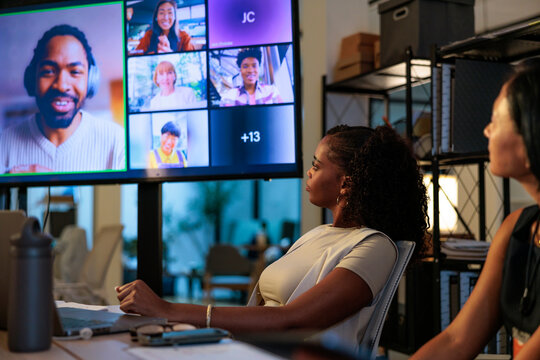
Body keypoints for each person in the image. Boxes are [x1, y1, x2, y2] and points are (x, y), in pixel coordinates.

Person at [117, 124, 429, 351]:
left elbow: (293, 321)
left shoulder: (375, 247)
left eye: (317, 166)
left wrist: (169, 310)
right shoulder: (318, 235)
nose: (309, 173)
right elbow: (266, 311)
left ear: (345, 183)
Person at [411, 60, 540, 359]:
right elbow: (456, 340)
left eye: (495, 120)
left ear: (531, 134)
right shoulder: (515, 228)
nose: (486, 130)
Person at [0, 24, 125, 174]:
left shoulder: (117, 142)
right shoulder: (4, 143)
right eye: (48, 71)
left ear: (91, 80)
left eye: (75, 72)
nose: (61, 85)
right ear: (32, 78)